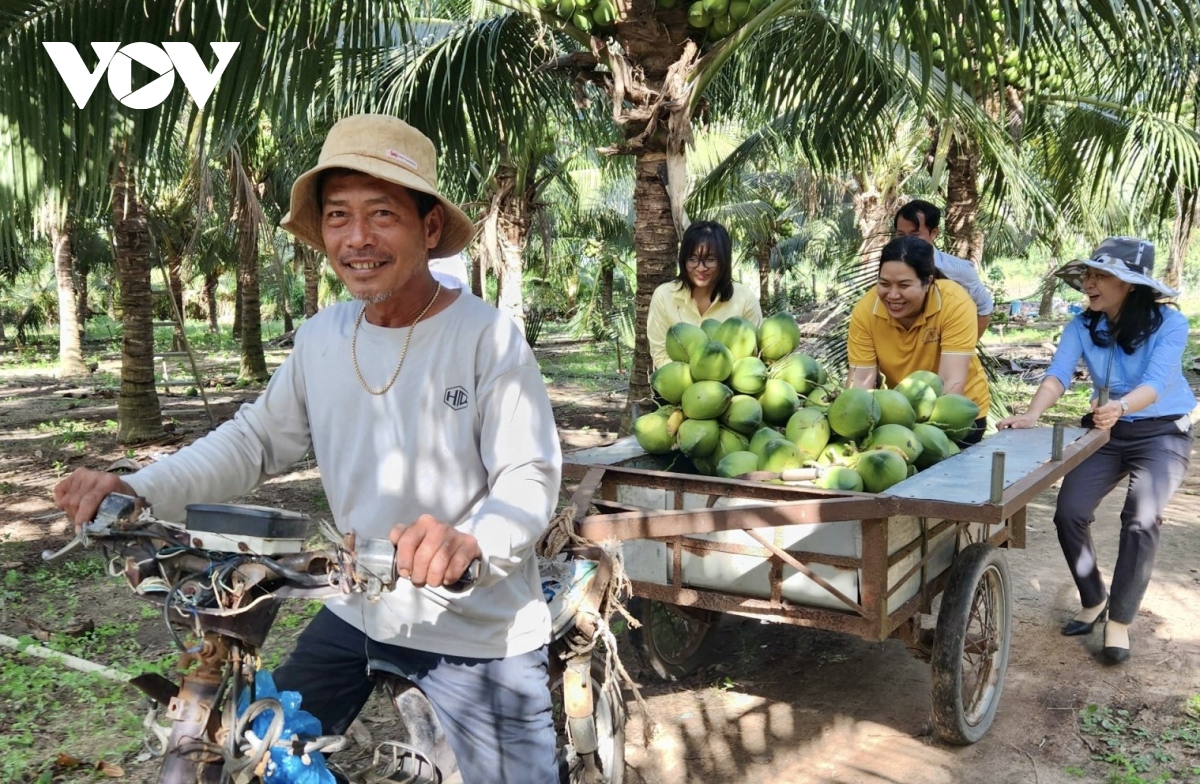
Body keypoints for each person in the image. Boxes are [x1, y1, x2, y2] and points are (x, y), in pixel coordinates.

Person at [53, 114, 563, 782]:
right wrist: (138, 486)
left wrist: (472, 542)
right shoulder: (324, 336)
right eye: (339, 216)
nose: (358, 238)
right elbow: (256, 439)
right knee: (261, 756)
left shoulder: (486, 338)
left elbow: (528, 474)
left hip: (478, 629)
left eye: (383, 214)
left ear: (429, 228)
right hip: (357, 610)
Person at [997, 237, 1194, 665]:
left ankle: (1119, 620)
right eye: (1088, 273)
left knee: (1141, 519)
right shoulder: (1083, 326)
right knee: (1069, 510)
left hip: (1162, 432)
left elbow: (1157, 383)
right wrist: (1031, 414)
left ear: (1131, 285)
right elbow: (1058, 374)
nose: (1089, 282)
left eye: (1101, 275)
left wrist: (1121, 405)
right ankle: (1093, 598)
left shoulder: (1170, 324)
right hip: (1107, 432)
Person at [847, 235, 990, 443]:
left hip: (958, 412)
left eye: (904, 285)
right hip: (901, 416)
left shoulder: (955, 303)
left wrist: (917, 434)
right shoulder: (865, 311)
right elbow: (860, 381)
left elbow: (951, 383)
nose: (893, 295)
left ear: (928, 282)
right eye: (884, 284)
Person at [646, 220, 763, 370]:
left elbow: (754, 355)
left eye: (710, 260)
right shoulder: (663, 296)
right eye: (693, 259)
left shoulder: (745, 299)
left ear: (724, 261)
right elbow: (660, 356)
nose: (701, 268)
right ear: (683, 260)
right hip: (676, 388)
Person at [894, 199, 994, 338]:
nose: (906, 241)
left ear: (934, 233)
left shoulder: (959, 270)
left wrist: (966, 347)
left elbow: (984, 307)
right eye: (900, 235)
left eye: (915, 235)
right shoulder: (890, 270)